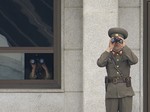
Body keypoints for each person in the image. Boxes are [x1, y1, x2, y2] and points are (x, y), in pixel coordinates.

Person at [97, 27, 138, 112]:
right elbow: (100, 63)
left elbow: (135, 60)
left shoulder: (126, 55)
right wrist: (108, 49)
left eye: (118, 41)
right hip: (111, 93)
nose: (116, 44)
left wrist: (124, 46)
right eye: (114, 41)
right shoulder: (108, 55)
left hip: (125, 92)